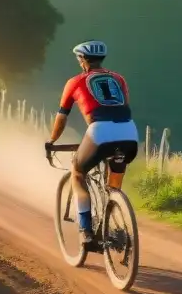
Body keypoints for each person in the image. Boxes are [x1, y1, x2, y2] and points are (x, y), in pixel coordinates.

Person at [46, 40, 138, 244]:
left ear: (81, 59)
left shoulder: (75, 81)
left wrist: (52, 140)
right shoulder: (118, 79)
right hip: (129, 131)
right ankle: (114, 219)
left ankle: (86, 230)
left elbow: (62, 117)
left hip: (100, 131)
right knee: (114, 184)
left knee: (77, 173)